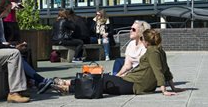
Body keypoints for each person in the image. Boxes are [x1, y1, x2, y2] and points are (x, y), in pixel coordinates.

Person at [55, 29, 185, 96]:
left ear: (146, 41)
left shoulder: (152, 51)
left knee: (102, 80)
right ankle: (68, 86)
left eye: (142, 39)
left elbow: (159, 71)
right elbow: (166, 70)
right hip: (133, 81)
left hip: (134, 84)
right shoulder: (160, 50)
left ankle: (68, 84)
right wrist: (173, 87)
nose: (142, 41)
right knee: (103, 81)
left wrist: (164, 90)